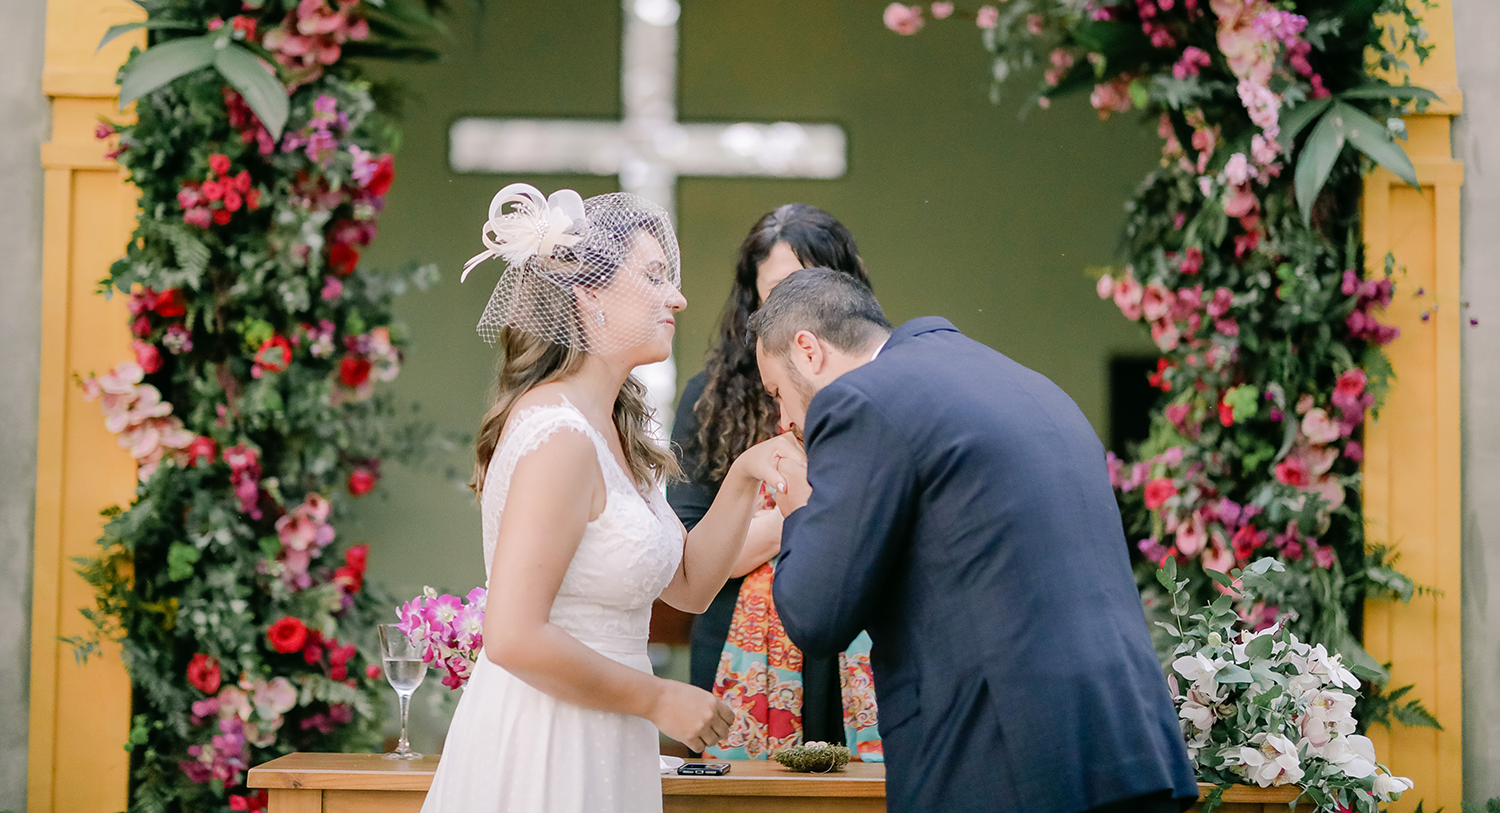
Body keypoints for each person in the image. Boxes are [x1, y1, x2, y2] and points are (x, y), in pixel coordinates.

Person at [750, 269, 1199, 813]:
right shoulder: (1032, 384)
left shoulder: (861, 402)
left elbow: (816, 615)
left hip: (1005, 765)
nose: (782, 420)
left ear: (808, 350)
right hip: (1131, 751)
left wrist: (801, 507)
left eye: (777, 393)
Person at [421, 184, 783, 813]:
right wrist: (660, 698)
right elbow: (512, 636)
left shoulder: (617, 430)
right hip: (547, 740)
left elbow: (692, 584)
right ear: (589, 299)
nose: (678, 296)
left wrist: (749, 473)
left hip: (610, 738)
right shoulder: (558, 434)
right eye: (654, 276)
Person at [667, 204, 880, 759]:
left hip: (858, 637)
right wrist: (816, 516)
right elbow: (690, 555)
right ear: (752, 297)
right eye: (782, 287)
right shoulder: (709, 399)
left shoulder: (879, 385)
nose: (798, 306)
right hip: (739, 636)